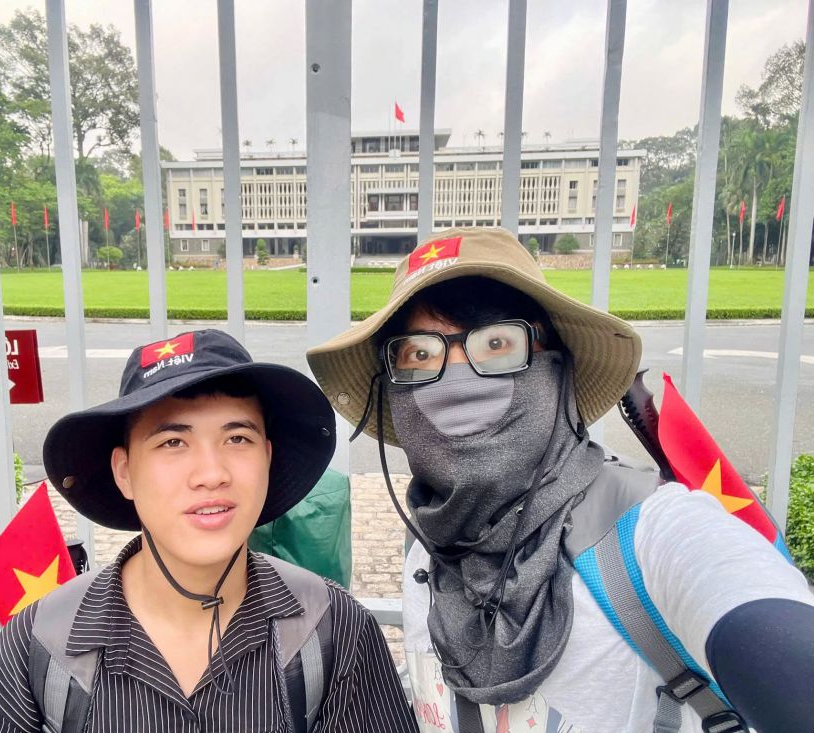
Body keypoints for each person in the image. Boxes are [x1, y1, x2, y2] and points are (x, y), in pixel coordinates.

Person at [307, 227, 814, 733]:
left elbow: (766, 627)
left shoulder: (653, 531)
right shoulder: (429, 541)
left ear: (557, 368)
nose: (455, 378)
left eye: (497, 343)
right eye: (420, 354)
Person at [0, 328, 417, 733]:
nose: (211, 473)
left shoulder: (331, 631)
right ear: (125, 471)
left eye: (237, 438)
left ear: (268, 458)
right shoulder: (42, 645)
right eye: (173, 442)